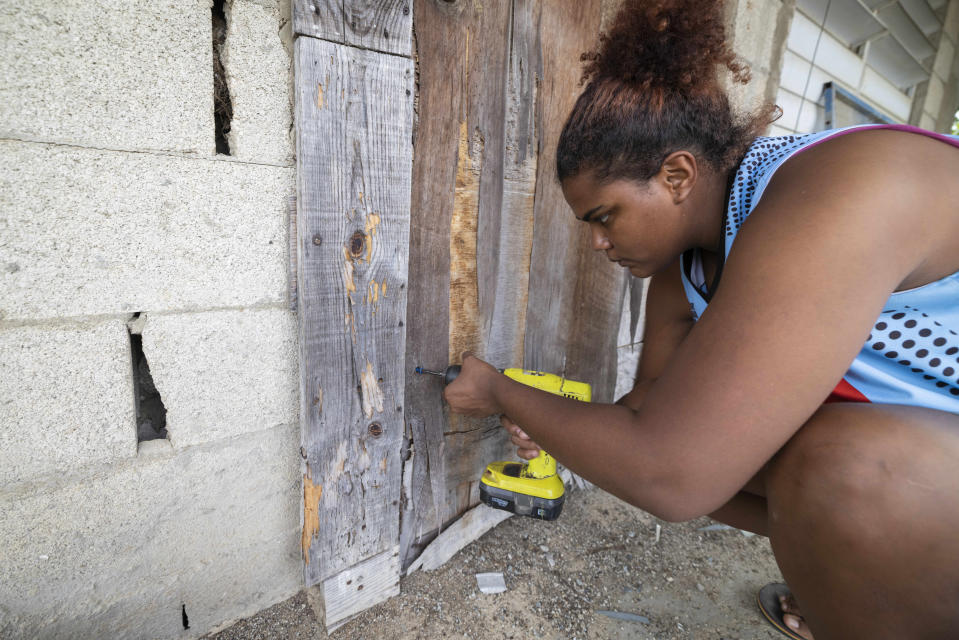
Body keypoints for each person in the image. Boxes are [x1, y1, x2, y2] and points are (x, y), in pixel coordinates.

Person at [441, 1, 959, 638]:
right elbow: (648, 422)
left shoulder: (841, 192)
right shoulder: (685, 270)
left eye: (604, 217)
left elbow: (669, 474)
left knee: (841, 470)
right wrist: (562, 431)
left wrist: (498, 390)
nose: (598, 245)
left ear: (677, 175)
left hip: (918, 467)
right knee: (739, 448)